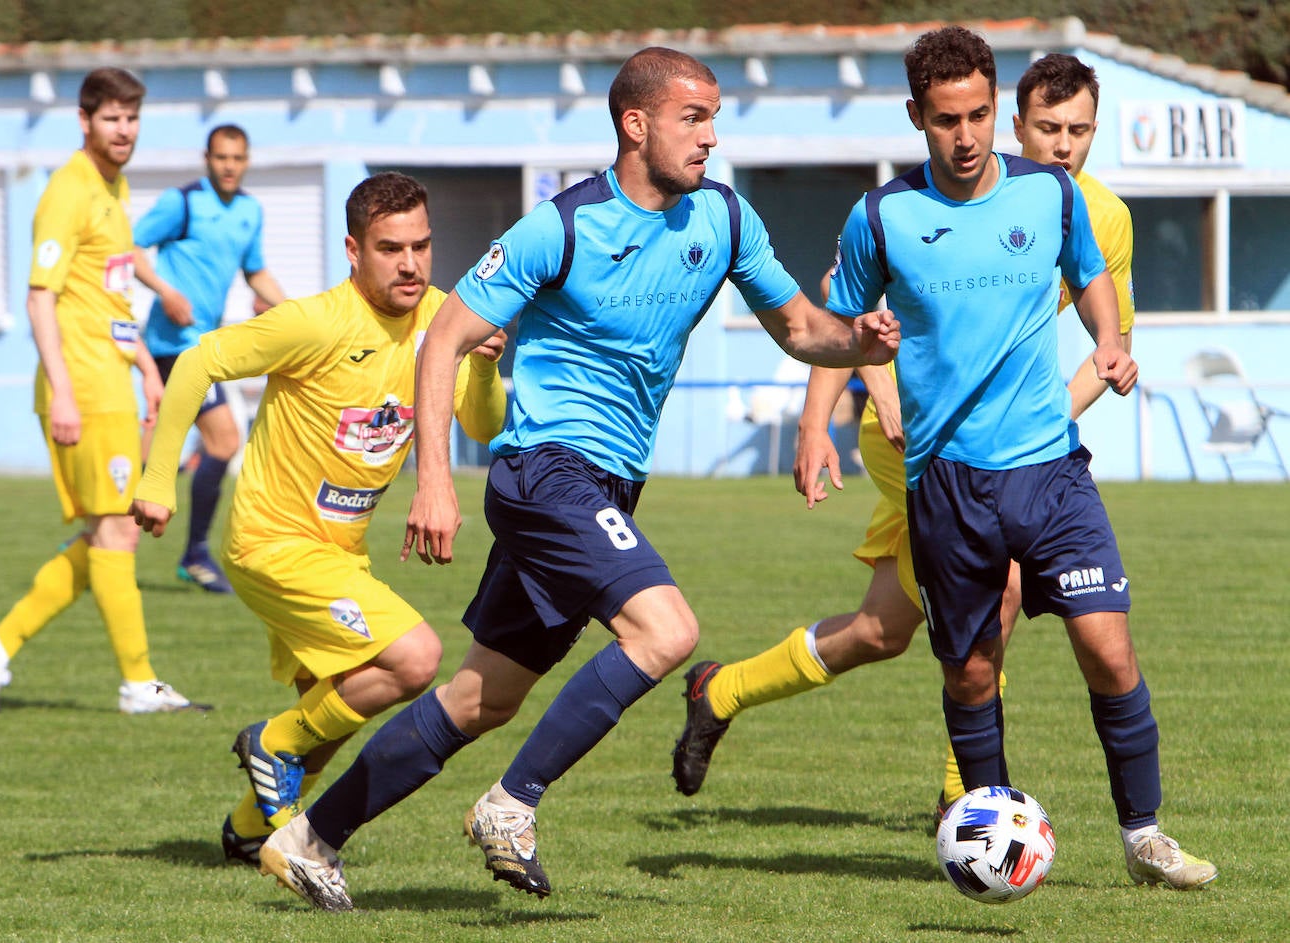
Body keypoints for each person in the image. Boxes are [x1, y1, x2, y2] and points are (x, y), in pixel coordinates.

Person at [250, 46, 900, 912]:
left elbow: (799, 326)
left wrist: (860, 340)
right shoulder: (559, 226)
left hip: (608, 488)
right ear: (636, 125)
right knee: (667, 631)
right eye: (693, 117)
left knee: (481, 698)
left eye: (714, 116)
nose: (711, 135)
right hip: (544, 471)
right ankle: (510, 807)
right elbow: (443, 337)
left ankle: (306, 837)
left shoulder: (726, 220)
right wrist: (435, 483)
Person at [671, 53, 1142, 822]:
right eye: (1048, 128)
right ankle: (968, 802)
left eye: (1080, 130)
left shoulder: (1096, 214)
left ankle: (720, 689)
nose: (1063, 145)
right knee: (1003, 589)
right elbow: (849, 310)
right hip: (913, 440)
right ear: (1014, 123)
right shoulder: (917, 205)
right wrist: (828, 413)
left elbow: (1106, 335)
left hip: (1012, 450)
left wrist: (1041, 422)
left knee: (881, 630)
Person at [837, 26, 1210, 890]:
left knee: (1109, 651)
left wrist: (1109, 340)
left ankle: (1145, 835)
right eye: (943, 120)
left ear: (997, 108)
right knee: (971, 671)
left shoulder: (1048, 192)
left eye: (975, 116)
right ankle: (995, 836)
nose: (964, 138)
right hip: (948, 484)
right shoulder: (883, 216)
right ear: (915, 117)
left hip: (1049, 471)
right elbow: (842, 318)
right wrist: (866, 361)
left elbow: (1089, 274)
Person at [130, 172, 507, 879]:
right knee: (415, 658)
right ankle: (270, 741)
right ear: (353, 250)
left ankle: (247, 831)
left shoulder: (443, 319)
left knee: (335, 701)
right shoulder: (315, 321)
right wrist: (157, 481)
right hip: (271, 541)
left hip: (341, 552)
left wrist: (483, 366)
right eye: (390, 248)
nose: (411, 263)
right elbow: (199, 360)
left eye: (422, 246)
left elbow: (482, 425)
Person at [0, 68, 197, 715]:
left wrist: (145, 363)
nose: (125, 131)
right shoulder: (66, 191)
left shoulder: (112, 188)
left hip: (113, 381)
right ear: (85, 122)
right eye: (113, 118)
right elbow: (40, 300)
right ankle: (138, 682)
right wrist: (61, 391)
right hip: (84, 390)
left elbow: (108, 296)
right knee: (118, 530)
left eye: (133, 118)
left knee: (108, 535)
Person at [133, 124, 286, 594]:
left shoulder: (248, 211)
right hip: (171, 344)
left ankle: (122, 544)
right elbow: (130, 250)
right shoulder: (182, 202)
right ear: (207, 157)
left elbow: (254, 270)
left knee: (182, 447)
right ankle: (188, 552)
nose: (229, 166)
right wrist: (166, 291)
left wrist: (291, 313)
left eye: (237, 158)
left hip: (205, 347)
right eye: (221, 157)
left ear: (246, 160)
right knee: (221, 441)